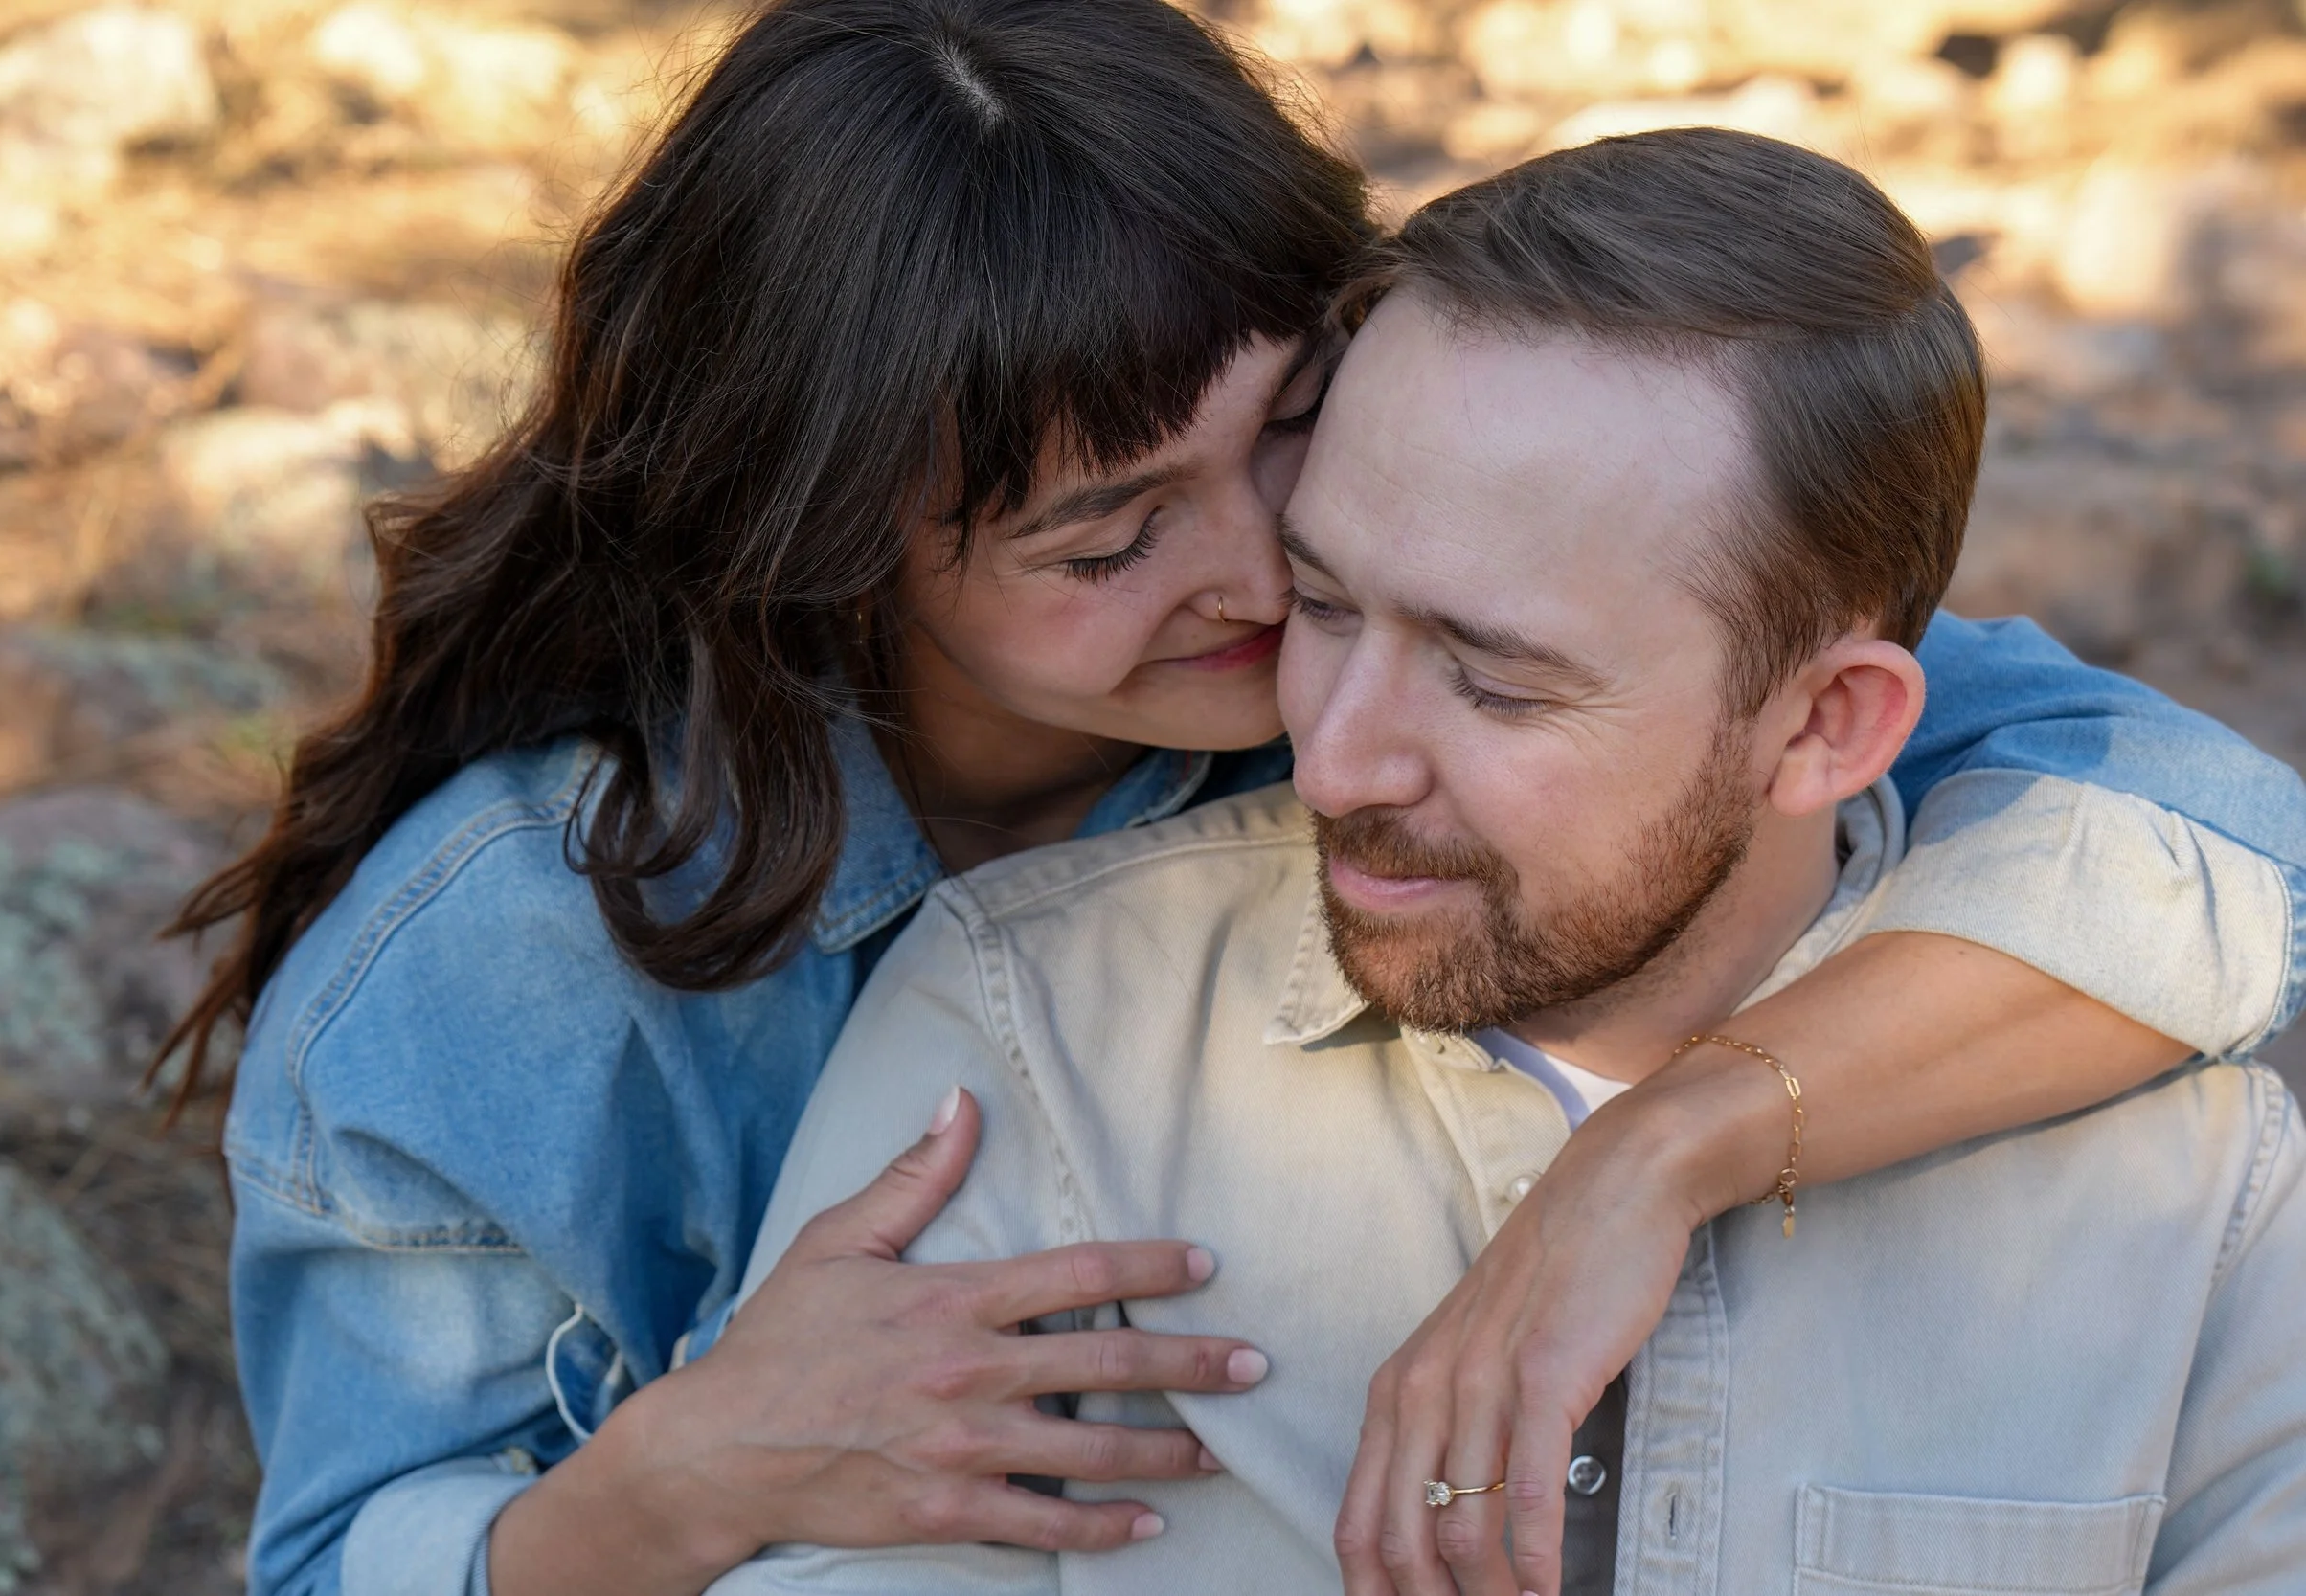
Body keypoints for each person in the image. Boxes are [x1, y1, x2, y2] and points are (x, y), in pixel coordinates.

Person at [159, 4, 2306, 1593]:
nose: (1265, 582)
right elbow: (341, 1554)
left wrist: (1659, 1147)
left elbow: (2203, 841)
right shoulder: (497, 972)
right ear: (812, 546)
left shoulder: (1389, 631)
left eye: (1284, 437)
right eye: (1104, 540)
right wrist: (680, 1477)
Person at [704, 130, 2306, 1596]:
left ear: (1827, 725)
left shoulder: (2197, 1189)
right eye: (1322, 604)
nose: (1332, 759)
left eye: (1495, 678)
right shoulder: (1034, 1041)